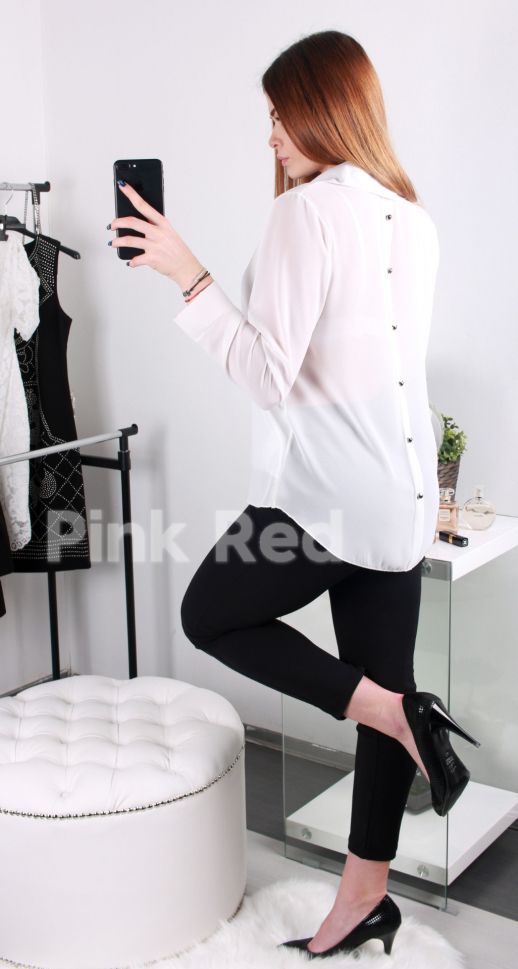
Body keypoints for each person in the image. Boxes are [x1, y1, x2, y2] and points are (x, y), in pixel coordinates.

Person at [108, 29, 480, 961]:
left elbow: (270, 376)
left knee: (210, 613)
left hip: (324, 498)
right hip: (400, 496)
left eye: (279, 115)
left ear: (323, 110)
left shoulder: (304, 214)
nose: (270, 135)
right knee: (381, 681)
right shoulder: (413, 219)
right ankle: (365, 900)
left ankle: (395, 711)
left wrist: (187, 272)